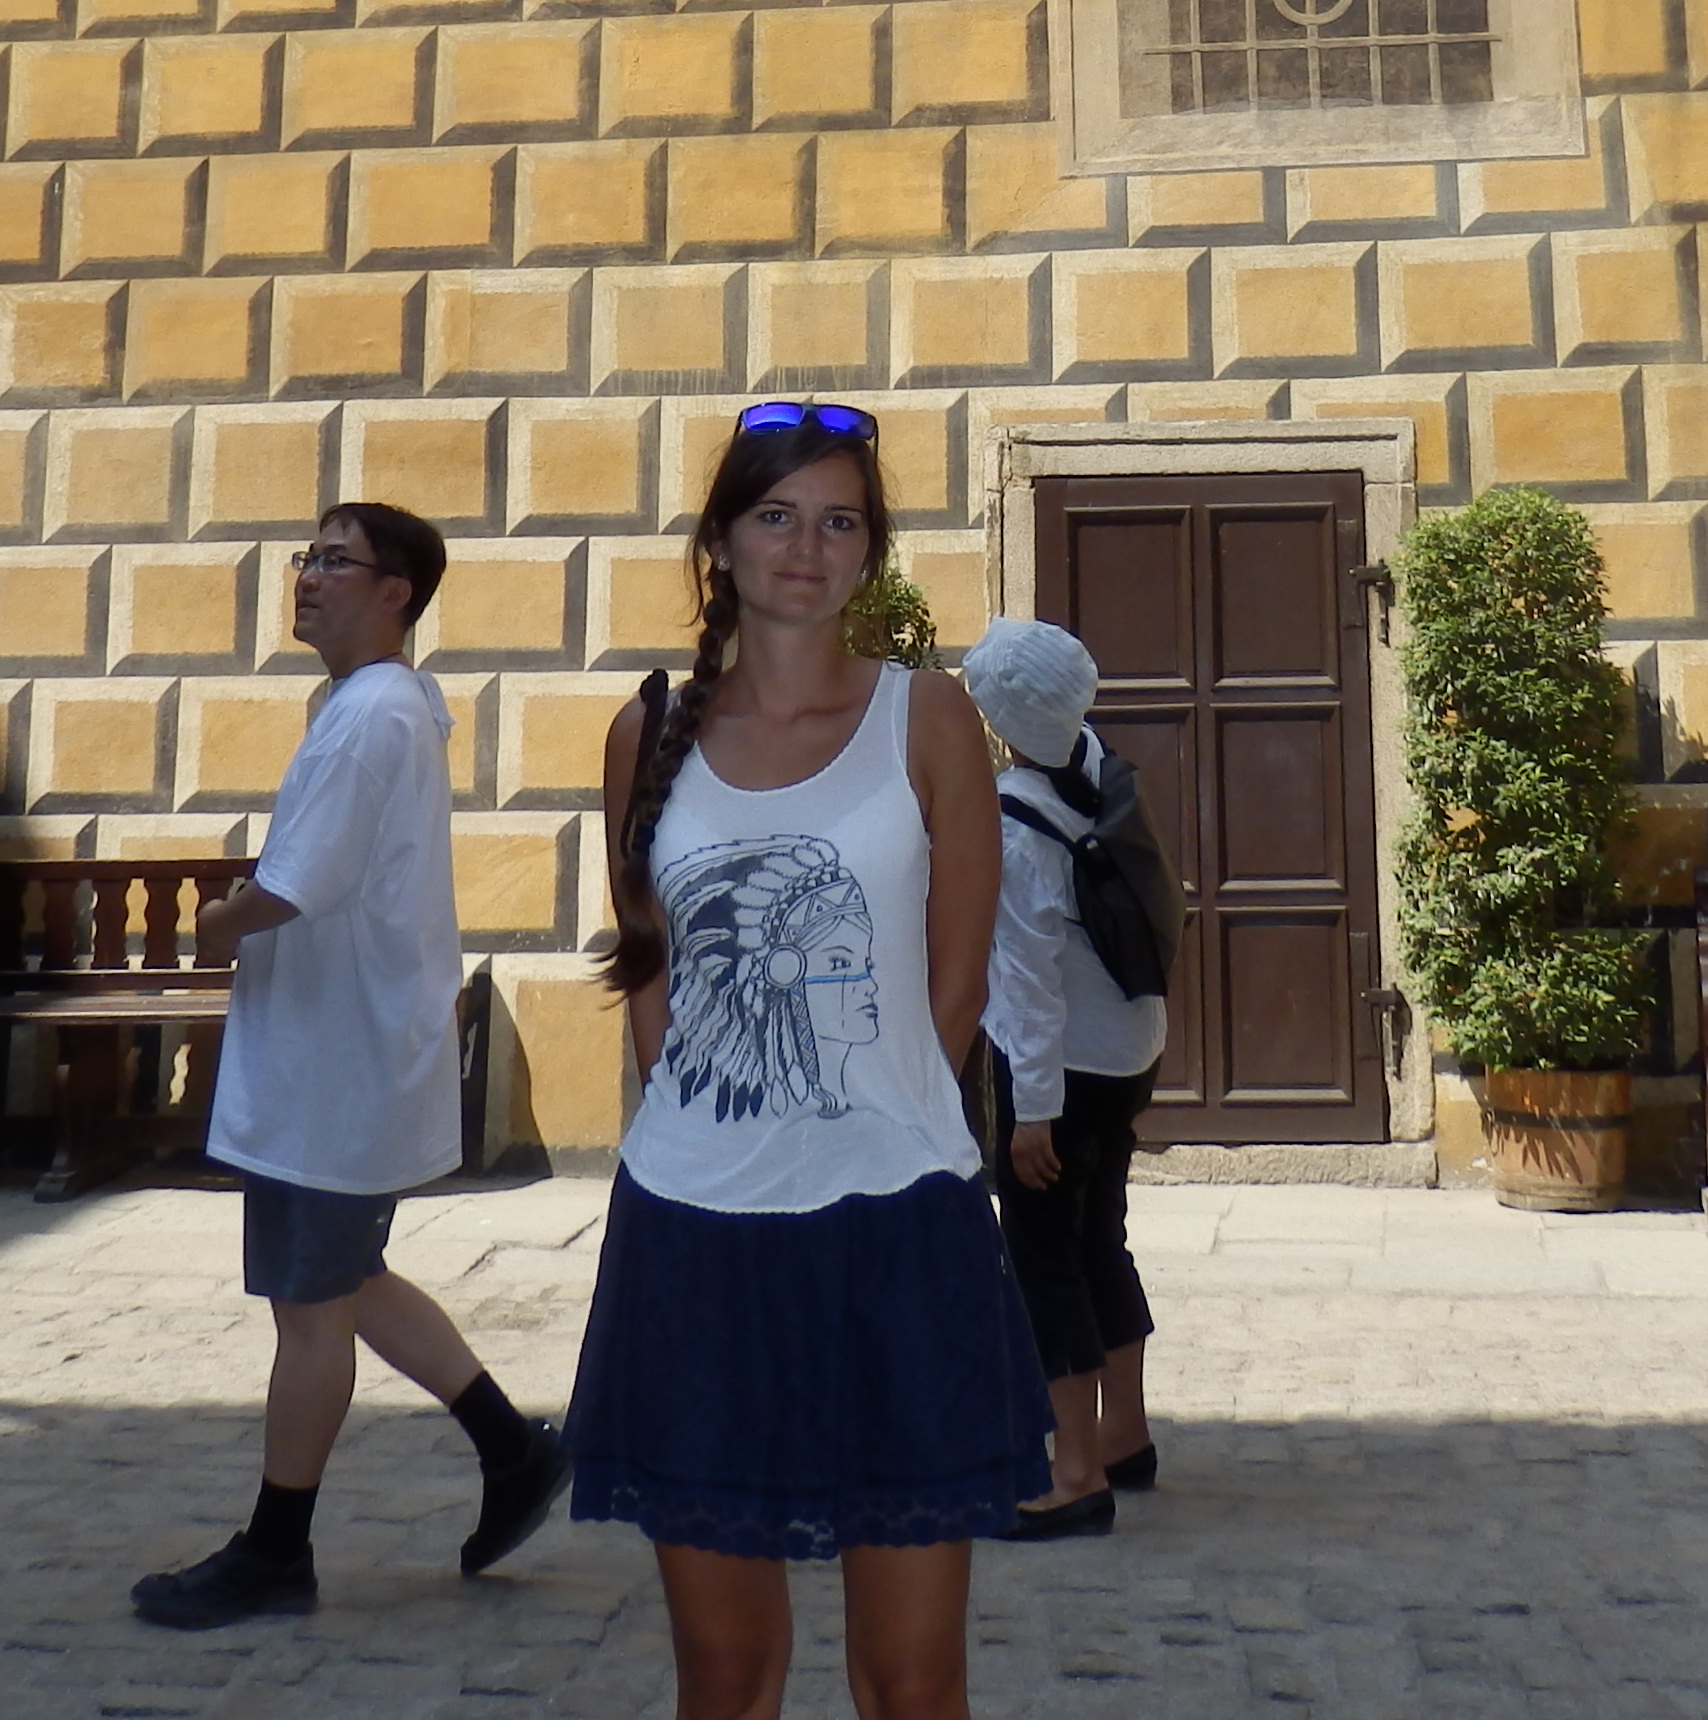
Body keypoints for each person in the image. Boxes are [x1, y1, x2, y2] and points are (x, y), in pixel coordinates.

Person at [568, 405, 1046, 1720]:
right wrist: (708, 1123)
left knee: (912, 1681)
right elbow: (650, 967)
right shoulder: (645, 732)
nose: (806, 548)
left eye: (840, 522)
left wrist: (867, 1117)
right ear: (721, 541)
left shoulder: (928, 716)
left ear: (870, 553)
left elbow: (958, 980)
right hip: (695, 1237)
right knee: (725, 1677)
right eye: (776, 516)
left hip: (898, 1229)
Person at [134, 502, 570, 1630]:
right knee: (346, 1277)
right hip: (341, 1054)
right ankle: (512, 1449)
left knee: (310, 1308)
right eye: (309, 556)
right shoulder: (377, 707)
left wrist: (216, 924)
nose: (309, 575)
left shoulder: (371, 714)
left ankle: (277, 1552)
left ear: (395, 593)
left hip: (329, 1067)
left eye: (336, 560)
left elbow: (296, 884)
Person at [956, 620, 1170, 1539]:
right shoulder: (1097, 760)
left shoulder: (1014, 822)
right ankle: (1126, 1435)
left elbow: (1026, 987)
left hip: (1064, 1069)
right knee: (1100, 1239)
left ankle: (1074, 1472)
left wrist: (1031, 1115)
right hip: (1130, 1048)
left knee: (1045, 1261)